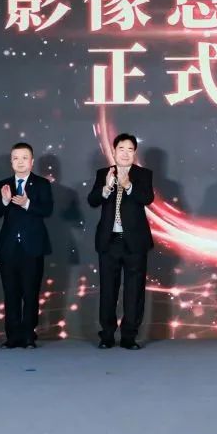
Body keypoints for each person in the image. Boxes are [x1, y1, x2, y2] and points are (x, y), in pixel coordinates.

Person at [87, 133, 154, 350]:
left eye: (130, 149)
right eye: (121, 149)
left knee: (134, 291)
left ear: (135, 153)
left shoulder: (143, 174)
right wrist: (106, 188)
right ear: (114, 151)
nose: (125, 153)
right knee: (108, 290)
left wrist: (128, 185)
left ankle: (129, 336)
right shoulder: (103, 173)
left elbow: (148, 198)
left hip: (135, 241)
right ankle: (107, 335)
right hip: (109, 241)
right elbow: (92, 200)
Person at [0, 142, 54, 349]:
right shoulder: (4, 184)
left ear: (32, 161)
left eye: (24, 158)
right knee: (11, 294)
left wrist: (26, 203)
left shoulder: (42, 184)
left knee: (30, 293)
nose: (20, 162)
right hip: (8, 248)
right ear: (11, 162)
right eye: (16, 158)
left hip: (32, 247)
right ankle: (12, 336)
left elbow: (47, 210)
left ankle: (28, 335)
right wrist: (5, 201)